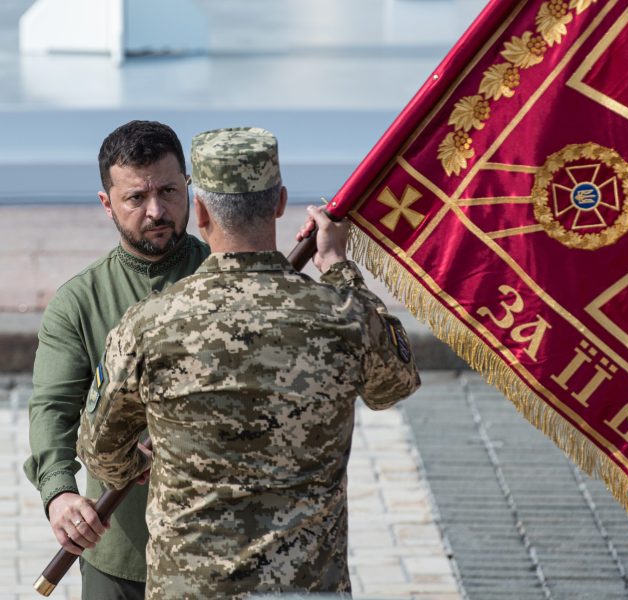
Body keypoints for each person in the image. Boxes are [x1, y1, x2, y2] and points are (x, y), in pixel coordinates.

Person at [76, 126, 421, 599]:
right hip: (306, 585)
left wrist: (141, 463)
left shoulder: (149, 325)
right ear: (279, 202)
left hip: (191, 587)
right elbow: (394, 385)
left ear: (199, 211)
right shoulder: (342, 316)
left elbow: (98, 451)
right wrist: (339, 266)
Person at [24, 120, 210, 599]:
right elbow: (53, 408)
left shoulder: (223, 278)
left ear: (188, 188)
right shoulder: (79, 302)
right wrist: (60, 493)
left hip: (221, 550)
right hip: (121, 549)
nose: (156, 210)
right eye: (135, 198)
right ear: (107, 203)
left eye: (169, 190)